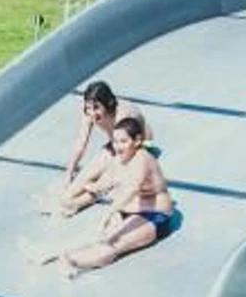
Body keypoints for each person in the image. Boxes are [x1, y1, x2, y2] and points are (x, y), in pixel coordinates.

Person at [38, 118, 177, 274]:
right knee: (99, 236)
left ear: (137, 140)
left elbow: (131, 190)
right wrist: (75, 193)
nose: (118, 146)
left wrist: (106, 215)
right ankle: (53, 253)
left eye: (123, 141)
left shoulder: (143, 159)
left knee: (113, 245)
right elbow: (104, 183)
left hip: (154, 215)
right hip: (128, 209)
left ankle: (71, 261)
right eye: (115, 141)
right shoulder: (120, 158)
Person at [46, 80, 151, 211]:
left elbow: (127, 152)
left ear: (108, 104)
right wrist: (69, 173)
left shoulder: (122, 116)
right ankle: (77, 199)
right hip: (115, 145)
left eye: (96, 107)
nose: (92, 113)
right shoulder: (89, 113)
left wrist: (103, 183)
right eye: (88, 108)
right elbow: (81, 143)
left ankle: (85, 200)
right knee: (69, 194)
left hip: (138, 148)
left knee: (106, 179)